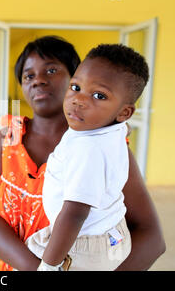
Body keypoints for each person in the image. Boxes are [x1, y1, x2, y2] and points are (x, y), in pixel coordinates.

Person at [0, 36, 166, 271]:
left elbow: (152, 239)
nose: (38, 81)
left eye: (52, 70)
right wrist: (36, 268)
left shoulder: (103, 148)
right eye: (28, 76)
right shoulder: (8, 137)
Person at [25, 43, 148, 271]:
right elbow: (123, 129)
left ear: (124, 112)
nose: (79, 100)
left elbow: (74, 214)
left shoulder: (87, 148)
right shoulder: (113, 129)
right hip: (111, 231)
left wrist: (49, 267)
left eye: (99, 95)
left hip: (83, 245)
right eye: (76, 87)